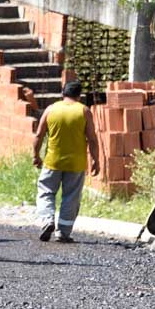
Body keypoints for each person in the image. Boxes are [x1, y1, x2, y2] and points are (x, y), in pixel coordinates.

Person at [32, 80, 100, 244]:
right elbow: (92, 138)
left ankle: (47, 221)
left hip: (52, 162)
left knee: (46, 193)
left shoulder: (51, 109)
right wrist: (96, 160)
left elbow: (39, 135)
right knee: (71, 197)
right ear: (79, 96)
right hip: (76, 164)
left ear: (63, 93)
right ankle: (63, 232)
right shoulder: (84, 111)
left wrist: (36, 155)